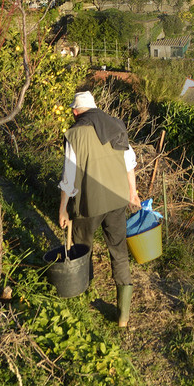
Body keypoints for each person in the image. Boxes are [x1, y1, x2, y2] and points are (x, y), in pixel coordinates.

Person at [57, 90, 139, 326]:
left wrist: (63, 208)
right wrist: (132, 193)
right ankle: (123, 316)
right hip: (117, 200)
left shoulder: (75, 134)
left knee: (83, 248)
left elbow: (69, 177)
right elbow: (129, 163)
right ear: (95, 107)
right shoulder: (115, 126)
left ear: (75, 112)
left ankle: (83, 298)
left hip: (88, 204)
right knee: (119, 252)